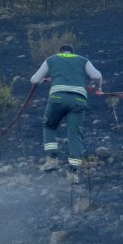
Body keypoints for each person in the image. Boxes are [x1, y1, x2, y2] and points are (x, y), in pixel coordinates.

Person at [30, 44, 102, 184]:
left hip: (57, 99)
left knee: (49, 126)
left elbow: (34, 80)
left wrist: (42, 80)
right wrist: (97, 87)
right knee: (75, 134)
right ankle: (73, 173)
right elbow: (97, 76)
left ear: (60, 52)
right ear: (72, 52)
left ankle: (52, 160)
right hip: (78, 100)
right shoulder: (82, 60)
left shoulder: (52, 59)